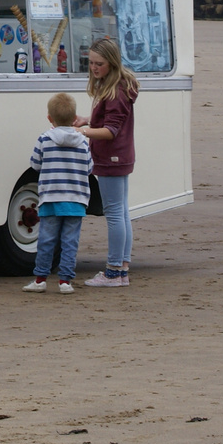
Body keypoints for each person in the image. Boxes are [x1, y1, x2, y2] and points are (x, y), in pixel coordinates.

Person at [76, 37, 138, 288]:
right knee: (121, 212)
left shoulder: (116, 91)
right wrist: (87, 120)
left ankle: (113, 271)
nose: (94, 68)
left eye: (99, 63)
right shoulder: (120, 86)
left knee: (114, 213)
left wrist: (83, 132)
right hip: (120, 156)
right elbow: (109, 122)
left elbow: (110, 130)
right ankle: (121, 269)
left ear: (111, 63)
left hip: (112, 157)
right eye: (90, 63)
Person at [22, 93, 93, 294]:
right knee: (70, 241)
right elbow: (89, 168)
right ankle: (65, 281)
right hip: (76, 199)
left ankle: (40, 278)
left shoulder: (45, 139)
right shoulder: (83, 142)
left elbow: (35, 164)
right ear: (74, 119)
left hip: (51, 196)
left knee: (46, 240)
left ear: (49, 118)